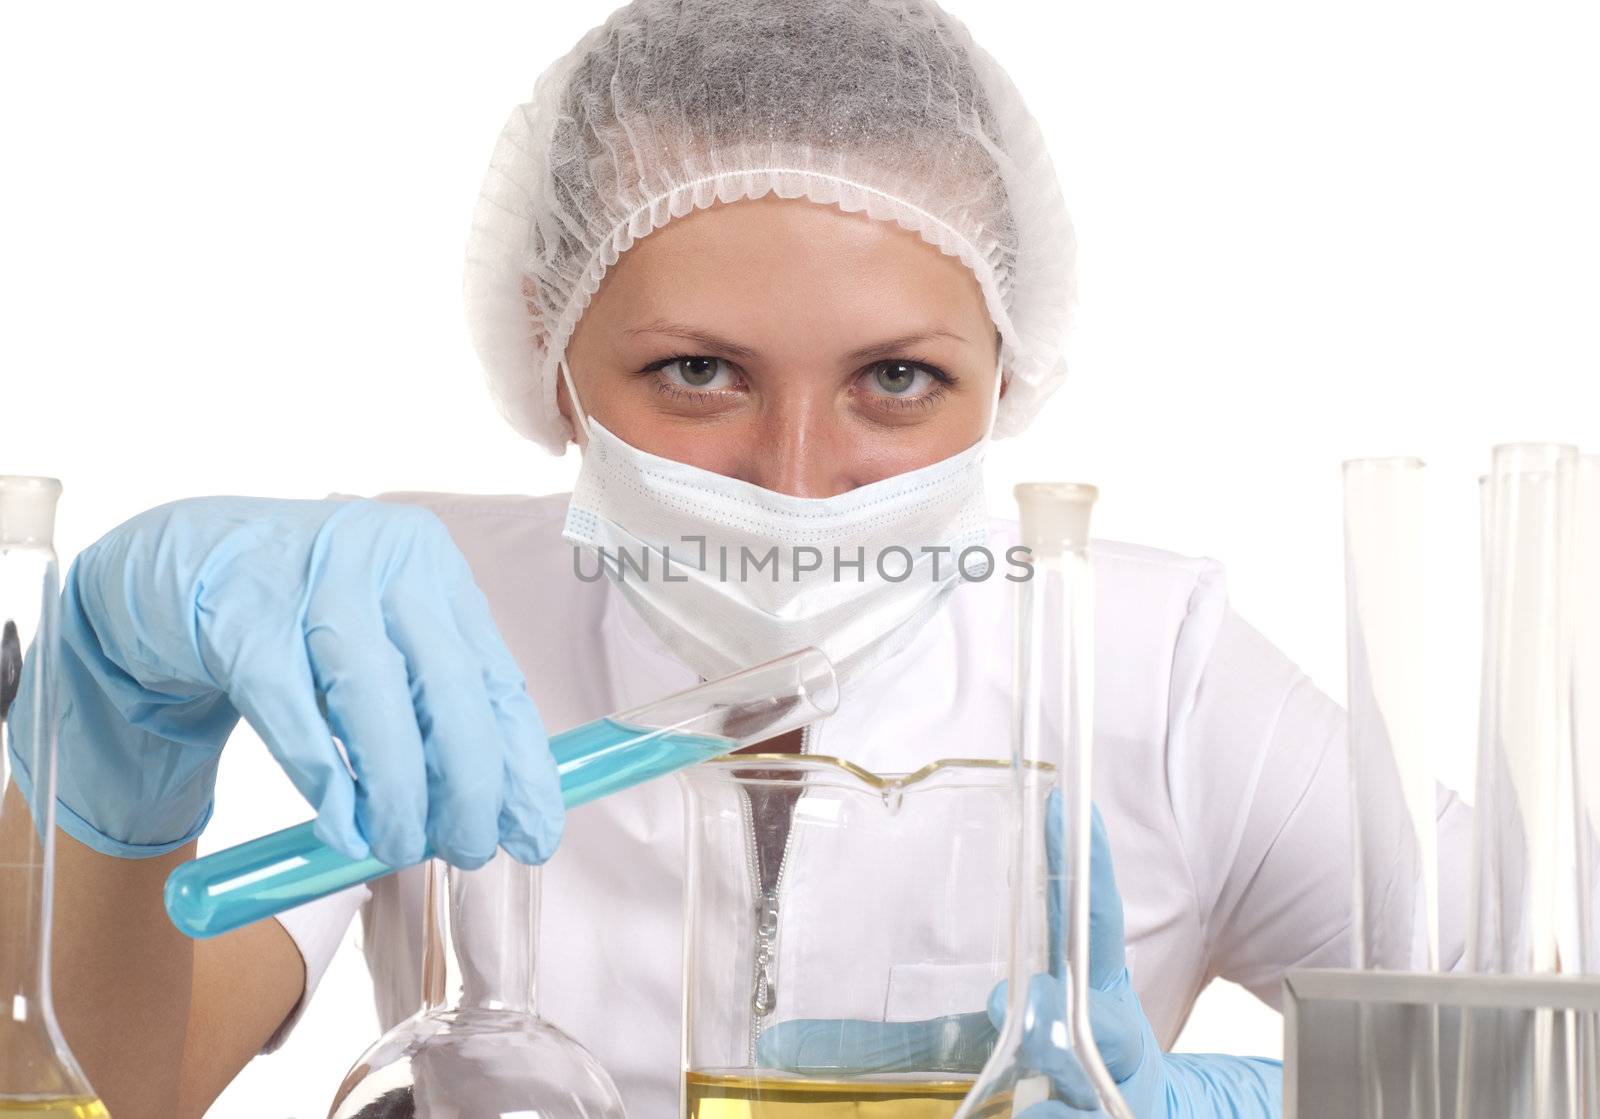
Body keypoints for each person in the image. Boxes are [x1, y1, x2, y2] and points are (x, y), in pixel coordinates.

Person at [1, 1, 1471, 1116]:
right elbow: (115, 1079)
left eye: (896, 380)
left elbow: (1527, 1039)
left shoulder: (1155, 662)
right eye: (698, 370)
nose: (795, 479)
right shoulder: (426, 603)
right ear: (549, 349)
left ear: (1011, 371)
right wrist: (106, 770)